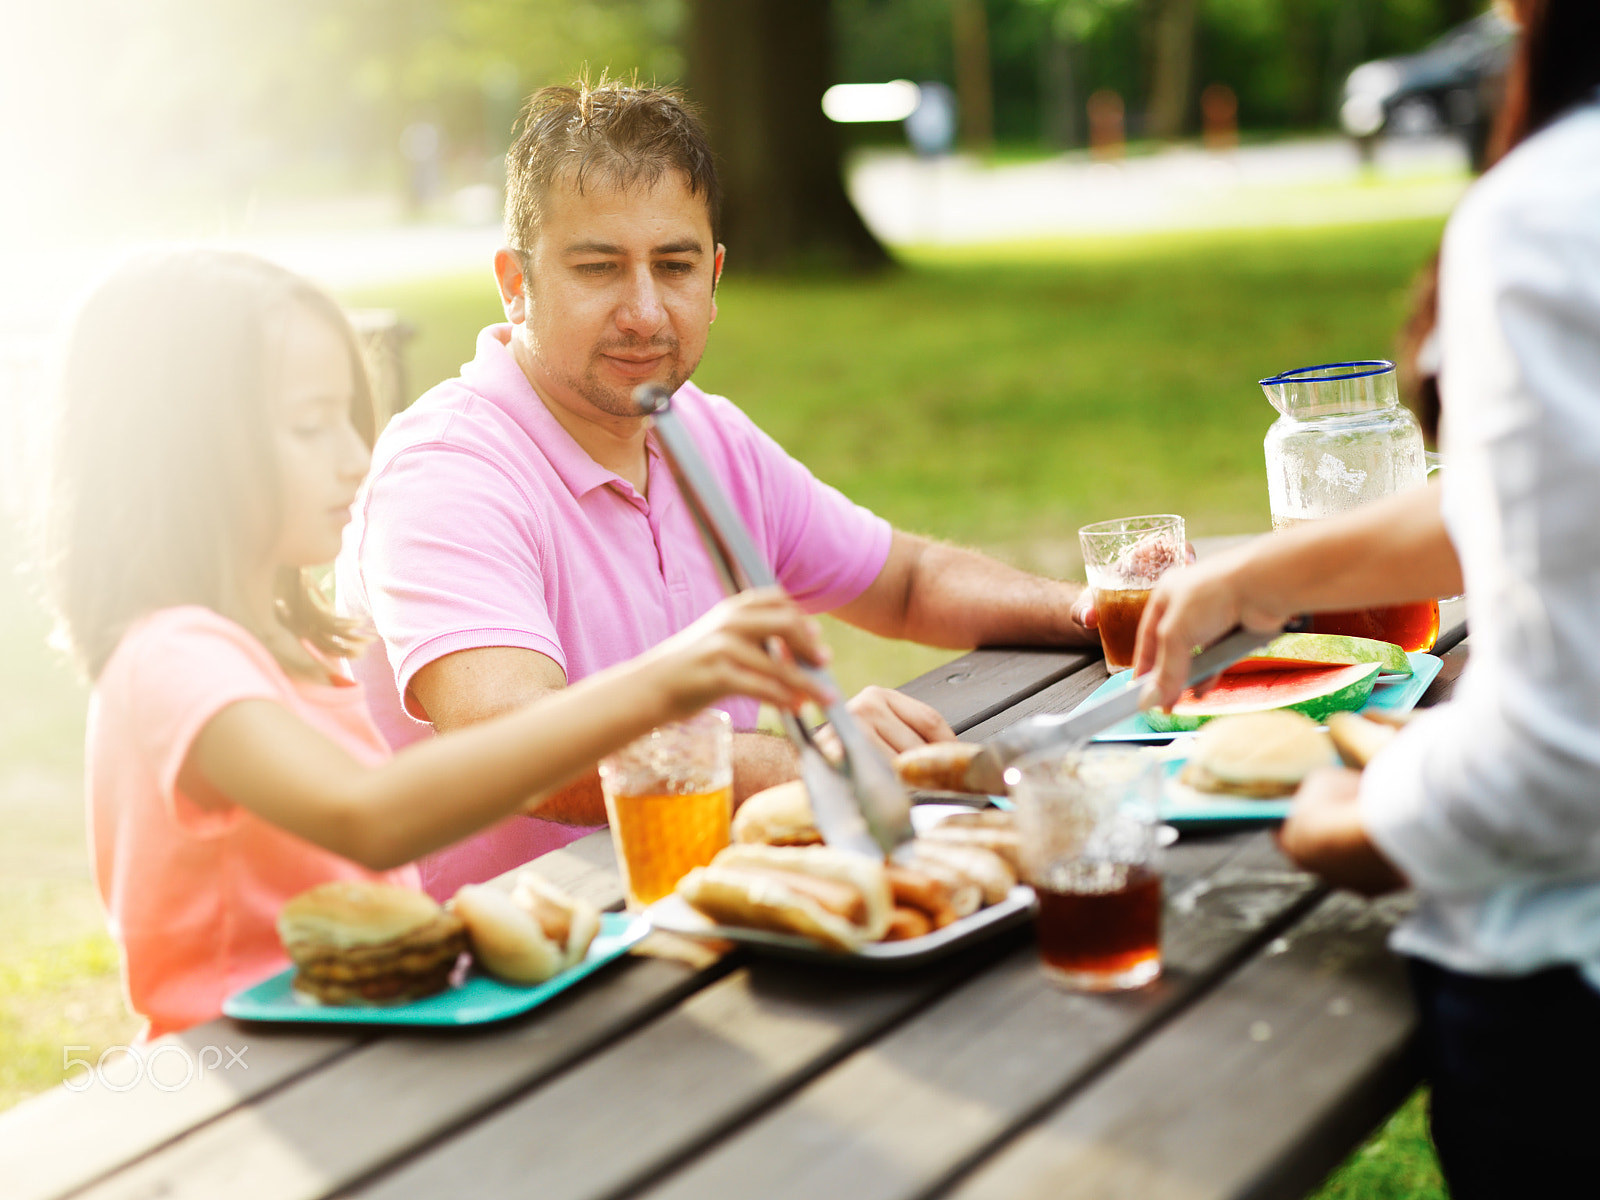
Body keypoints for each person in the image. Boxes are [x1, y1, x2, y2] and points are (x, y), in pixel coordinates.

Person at [37, 248, 833, 1040]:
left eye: (349, 420)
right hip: (243, 1085)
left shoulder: (293, 649)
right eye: (310, 427)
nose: (355, 458)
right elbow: (368, 817)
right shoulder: (173, 658)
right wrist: (658, 687)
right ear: (178, 453)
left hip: (361, 1044)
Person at [336, 79, 1099, 899]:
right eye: (598, 267)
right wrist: (808, 759)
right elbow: (510, 748)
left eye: (674, 266)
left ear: (715, 275)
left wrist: (1094, 609)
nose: (643, 311)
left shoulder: (699, 430)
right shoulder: (448, 469)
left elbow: (908, 582)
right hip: (523, 975)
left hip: (714, 909)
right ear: (514, 282)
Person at [1133, 2, 1600, 1193]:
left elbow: (1559, 762)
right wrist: (1261, 573)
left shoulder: (1552, 212)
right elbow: (1539, 494)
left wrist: (1353, 815)